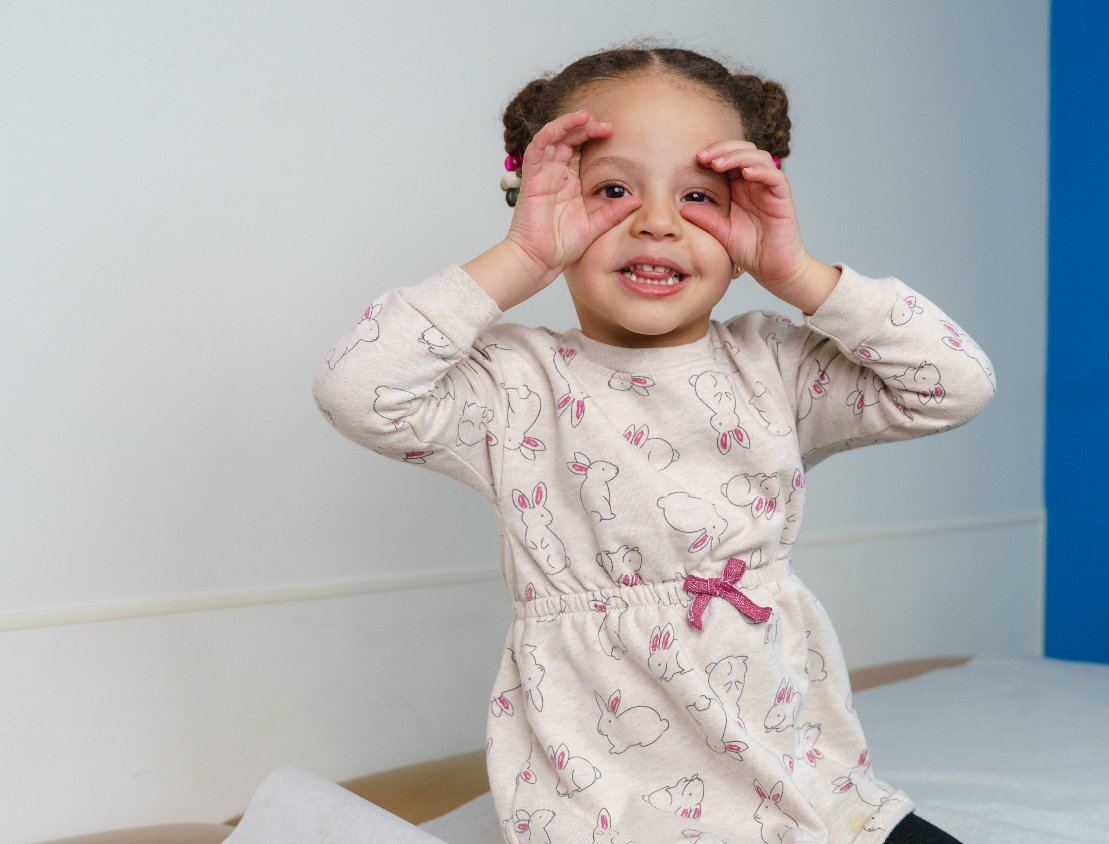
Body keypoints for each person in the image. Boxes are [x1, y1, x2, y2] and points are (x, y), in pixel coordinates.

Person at [312, 45, 994, 844]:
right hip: (614, 803)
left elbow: (954, 383)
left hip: (798, 780)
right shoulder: (516, 384)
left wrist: (799, 274)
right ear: (543, 201)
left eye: (700, 196)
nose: (659, 222)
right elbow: (357, 389)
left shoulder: (773, 362)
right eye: (611, 190)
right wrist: (521, 257)